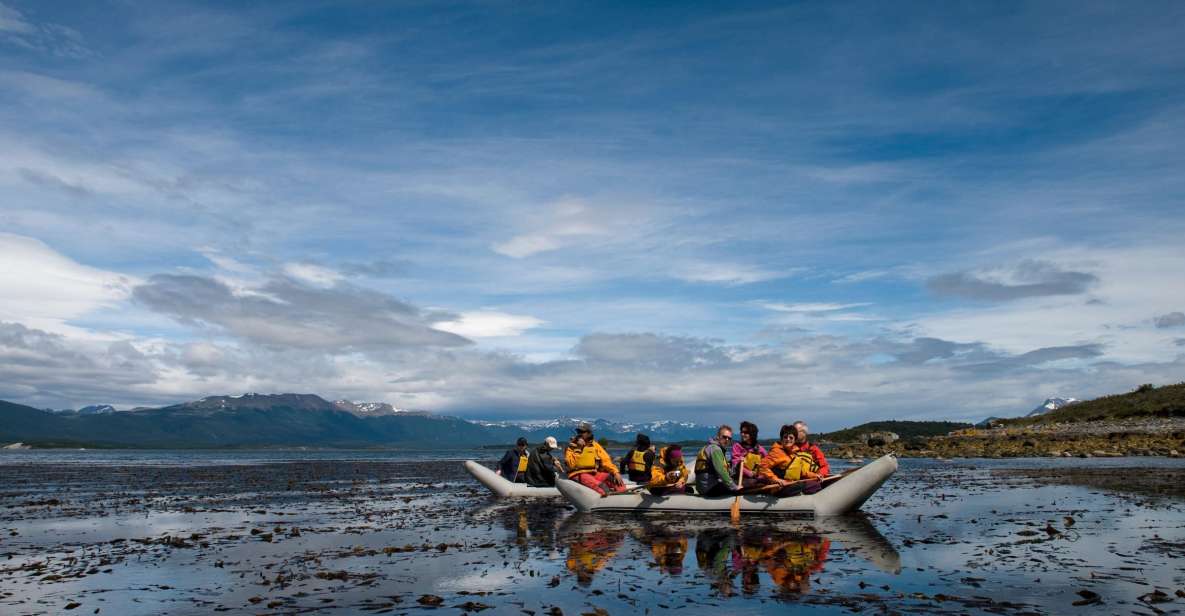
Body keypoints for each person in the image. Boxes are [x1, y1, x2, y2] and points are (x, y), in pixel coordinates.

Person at [757, 423, 826, 496]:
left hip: (790, 484)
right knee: (811, 486)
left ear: (795, 440)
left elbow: (800, 471)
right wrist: (776, 479)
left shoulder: (793, 453)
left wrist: (814, 475)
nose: (788, 439)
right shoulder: (776, 452)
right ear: (781, 439)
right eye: (785, 437)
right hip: (780, 487)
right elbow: (762, 466)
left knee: (815, 484)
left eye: (791, 437)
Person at [564, 423, 626, 495]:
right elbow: (571, 464)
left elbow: (606, 460)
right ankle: (608, 500)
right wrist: (578, 448)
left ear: (589, 433)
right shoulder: (571, 446)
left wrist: (615, 472)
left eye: (582, 432)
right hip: (578, 474)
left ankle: (624, 495)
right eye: (578, 432)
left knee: (615, 479)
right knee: (602, 486)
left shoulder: (595, 445)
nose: (579, 434)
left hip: (593, 473)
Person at [694, 425, 740, 497]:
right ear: (718, 437)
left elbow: (725, 470)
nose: (727, 440)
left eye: (729, 438)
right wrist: (735, 487)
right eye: (724, 437)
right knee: (742, 488)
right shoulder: (715, 449)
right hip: (709, 488)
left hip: (705, 486)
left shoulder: (713, 447)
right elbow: (721, 471)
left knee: (740, 482)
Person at [731, 421, 769, 489]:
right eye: (741, 432)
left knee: (765, 479)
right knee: (752, 482)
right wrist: (749, 473)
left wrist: (759, 473)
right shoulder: (737, 446)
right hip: (740, 477)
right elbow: (735, 463)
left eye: (745, 432)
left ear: (752, 434)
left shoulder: (759, 448)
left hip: (756, 476)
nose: (742, 434)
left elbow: (767, 461)